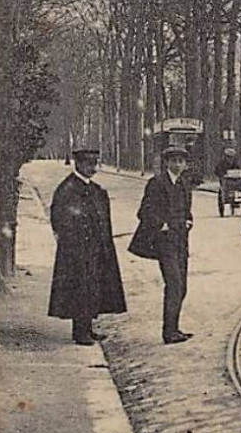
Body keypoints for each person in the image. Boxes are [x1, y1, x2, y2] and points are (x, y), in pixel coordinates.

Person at [48, 146, 127, 346]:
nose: (93, 168)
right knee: (80, 289)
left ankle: (88, 328)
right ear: (78, 164)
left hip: (95, 248)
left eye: (94, 164)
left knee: (93, 288)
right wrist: (71, 242)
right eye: (88, 164)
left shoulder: (95, 189)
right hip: (76, 250)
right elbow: (58, 218)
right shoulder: (67, 188)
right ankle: (80, 332)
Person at [135, 146, 195, 344]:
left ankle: (174, 328)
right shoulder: (157, 183)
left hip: (181, 241)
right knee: (174, 283)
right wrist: (162, 225)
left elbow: (187, 210)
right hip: (165, 241)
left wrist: (189, 221)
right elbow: (144, 212)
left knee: (182, 286)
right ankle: (168, 332)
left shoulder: (185, 184)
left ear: (185, 164)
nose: (178, 164)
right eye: (174, 160)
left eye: (181, 161)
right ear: (166, 162)